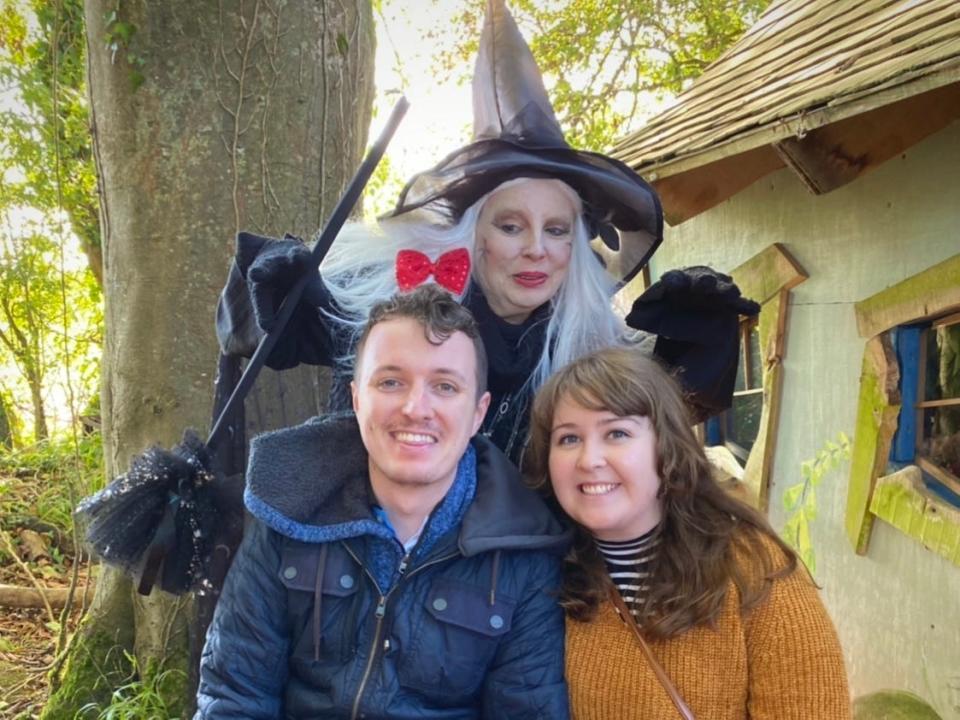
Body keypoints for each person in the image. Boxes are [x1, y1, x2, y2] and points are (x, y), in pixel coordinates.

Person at [217, 0, 757, 466]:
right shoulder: (396, 313)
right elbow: (262, 332)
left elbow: (662, 416)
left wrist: (693, 333)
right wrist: (287, 287)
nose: (535, 250)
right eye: (511, 225)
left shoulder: (584, 343)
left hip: (517, 579)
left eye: (556, 229)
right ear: (475, 236)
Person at [195, 284, 570, 719]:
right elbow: (235, 693)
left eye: (445, 386)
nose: (416, 408)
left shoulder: (523, 554)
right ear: (357, 399)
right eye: (391, 381)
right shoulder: (289, 512)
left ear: (478, 413)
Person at [526, 347, 851, 720]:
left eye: (616, 433)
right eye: (568, 439)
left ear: (667, 446)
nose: (589, 459)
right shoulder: (543, 579)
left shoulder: (755, 573)